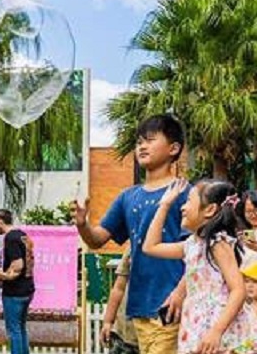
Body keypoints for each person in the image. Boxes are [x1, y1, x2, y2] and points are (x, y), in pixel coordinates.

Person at [72, 114, 188, 354]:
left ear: (174, 148)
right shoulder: (128, 197)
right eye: (139, 142)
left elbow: (198, 251)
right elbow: (97, 239)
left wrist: (180, 291)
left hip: (173, 306)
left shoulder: (186, 192)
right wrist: (83, 224)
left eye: (150, 140)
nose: (142, 146)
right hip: (138, 306)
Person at [143, 178, 257, 354]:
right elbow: (150, 247)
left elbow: (238, 290)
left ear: (210, 210)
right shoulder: (193, 243)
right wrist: (164, 205)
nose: (183, 207)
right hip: (197, 323)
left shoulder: (218, 243)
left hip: (219, 327)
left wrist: (217, 331)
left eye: (188, 201)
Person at [0, 209, 35, 354]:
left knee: (13, 330)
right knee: (21, 328)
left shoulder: (10, 238)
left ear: (0, 221)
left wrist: (3, 275)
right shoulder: (23, 235)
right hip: (28, 287)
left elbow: (18, 264)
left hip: (14, 291)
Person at [100, 251, 139, 354]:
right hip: (123, 334)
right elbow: (118, 288)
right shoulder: (134, 244)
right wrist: (108, 321)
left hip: (155, 335)